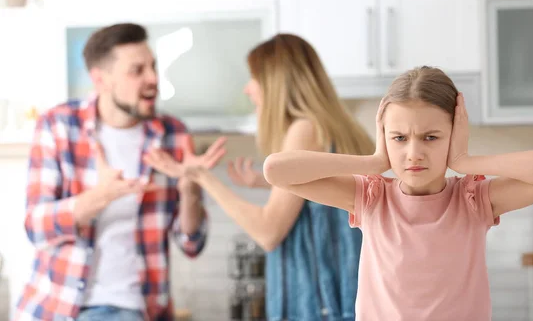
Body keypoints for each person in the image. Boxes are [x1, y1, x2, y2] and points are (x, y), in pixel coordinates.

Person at [261, 66, 533, 320]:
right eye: (399, 138)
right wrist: (374, 161)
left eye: (431, 137)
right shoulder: (371, 198)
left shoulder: (474, 200)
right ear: (385, 136)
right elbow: (275, 169)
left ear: (454, 134)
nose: (414, 152)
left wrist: (464, 160)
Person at [144, 33, 374, 321]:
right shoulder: (340, 129)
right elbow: (327, 205)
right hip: (342, 303)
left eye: (254, 78)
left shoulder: (304, 130)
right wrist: (270, 182)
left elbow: (268, 232)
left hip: (316, 307)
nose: (248, 89)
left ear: (276, 83)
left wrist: (204, 178)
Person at [14, 23, 226, 321]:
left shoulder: (173, 135)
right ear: (101, 80)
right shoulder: (57, 126)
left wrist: (190, 189)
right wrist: (99, 197)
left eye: (152, 66)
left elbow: (192, 244)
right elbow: (36, 227)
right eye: (136, 70)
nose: (153, 78)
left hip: (136, 308)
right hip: (56, 307)